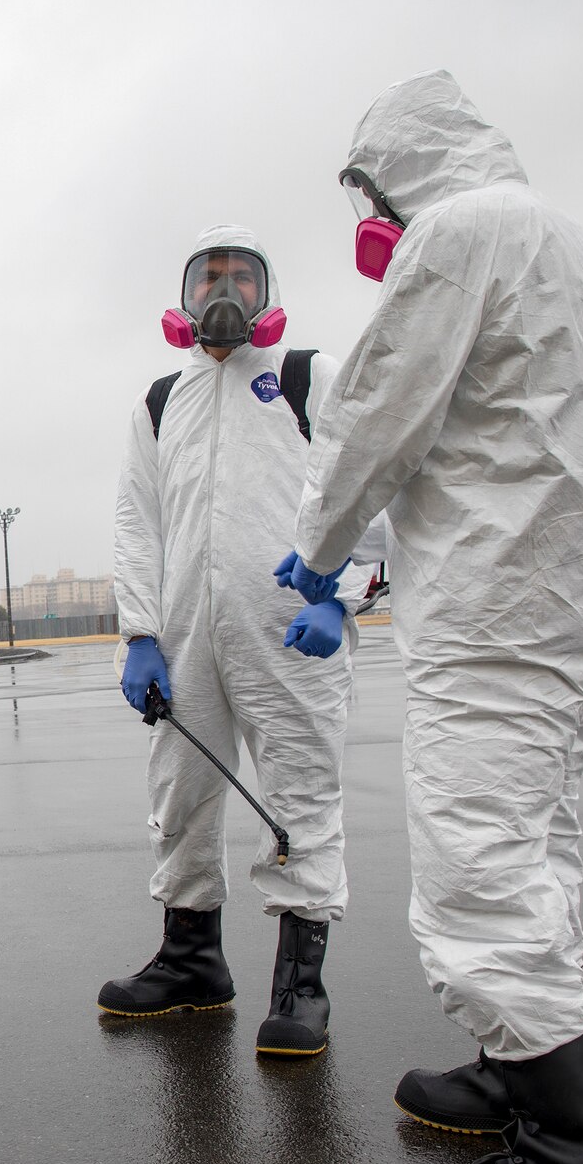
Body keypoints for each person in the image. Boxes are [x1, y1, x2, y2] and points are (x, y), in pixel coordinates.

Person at [280, 70, 583, 1164]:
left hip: (495, 614)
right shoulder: (570, 245)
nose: (369, 222)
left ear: (402, 170)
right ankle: (514, 1073)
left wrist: (314, 548)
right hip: (559, 600)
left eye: (366, 192)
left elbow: (379, 412)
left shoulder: (454, 234)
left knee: (476, 872)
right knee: (534, 851)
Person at [102, 225, 386, 1058]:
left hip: (288, 636)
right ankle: (191, 959)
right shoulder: (161, 401)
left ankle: (301, 987)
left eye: (241, 280)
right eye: (208, 280)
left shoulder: (306, 378)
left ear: (266, 294)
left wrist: (345, 598)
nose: (223, 295)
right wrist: (141, 635)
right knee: (180, 796)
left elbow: (369, 483)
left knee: (300, 796)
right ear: (185, 296)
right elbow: (136, 523)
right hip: (186, 640)